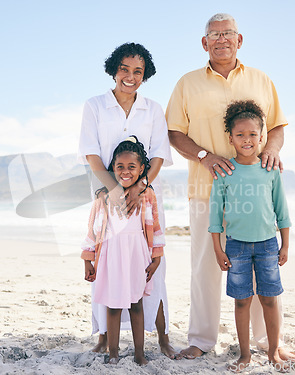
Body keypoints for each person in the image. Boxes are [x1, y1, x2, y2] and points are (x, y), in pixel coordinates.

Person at [166, 13, 295, 360]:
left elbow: (278, 126)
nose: (222, 39)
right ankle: (201, 339)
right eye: (214, 34)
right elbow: (175, 133)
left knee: (260, 267)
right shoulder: (187, 83)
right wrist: (204, 156)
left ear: (240, 40)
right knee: (205, 266)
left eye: (228, 33)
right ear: (204, 43)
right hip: (206, 189)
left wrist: (272, 148)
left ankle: (266, 342)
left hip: (256, 196)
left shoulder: (261, 80)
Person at [78, 42, 176, 358]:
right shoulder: (94, 105)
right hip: (108, 199)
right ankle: (105, 337)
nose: (130, 76)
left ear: (145, 75)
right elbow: (92, 155)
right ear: (114, 69)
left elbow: (160, 153)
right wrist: (117, 192)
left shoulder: (153, 108)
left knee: (150, 269)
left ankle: (161, 336)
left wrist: (140, 186)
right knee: (108, 268)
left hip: (145, 200)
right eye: (124, 68)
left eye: (138, 71)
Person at [209, 100, 291, 372]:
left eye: (253, 134)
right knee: (242, 301)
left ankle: (273, 351)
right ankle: (245, 354)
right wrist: (219, 250)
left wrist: (285, 245)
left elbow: (282, 210)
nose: (247, 140)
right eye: (240, 135)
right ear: (230, 138)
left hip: (268, 244)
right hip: (236, 246)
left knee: (269, 298)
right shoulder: (224, 172)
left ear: (262, 136)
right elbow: (214, 217)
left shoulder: (270, 170)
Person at [81, 136, 165, 365]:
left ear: (141, 170)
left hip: (137, 254)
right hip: (111, 255)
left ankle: (139, 352)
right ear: (112, 169)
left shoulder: (146, 195)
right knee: (113, 305)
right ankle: (114, 352)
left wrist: (157, 257)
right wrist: (88, 258)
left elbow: (155, 228)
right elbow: (94, 230)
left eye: (131, 167)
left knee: (137, 304)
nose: (125, 171)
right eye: (120, 167)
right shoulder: (104, 197)